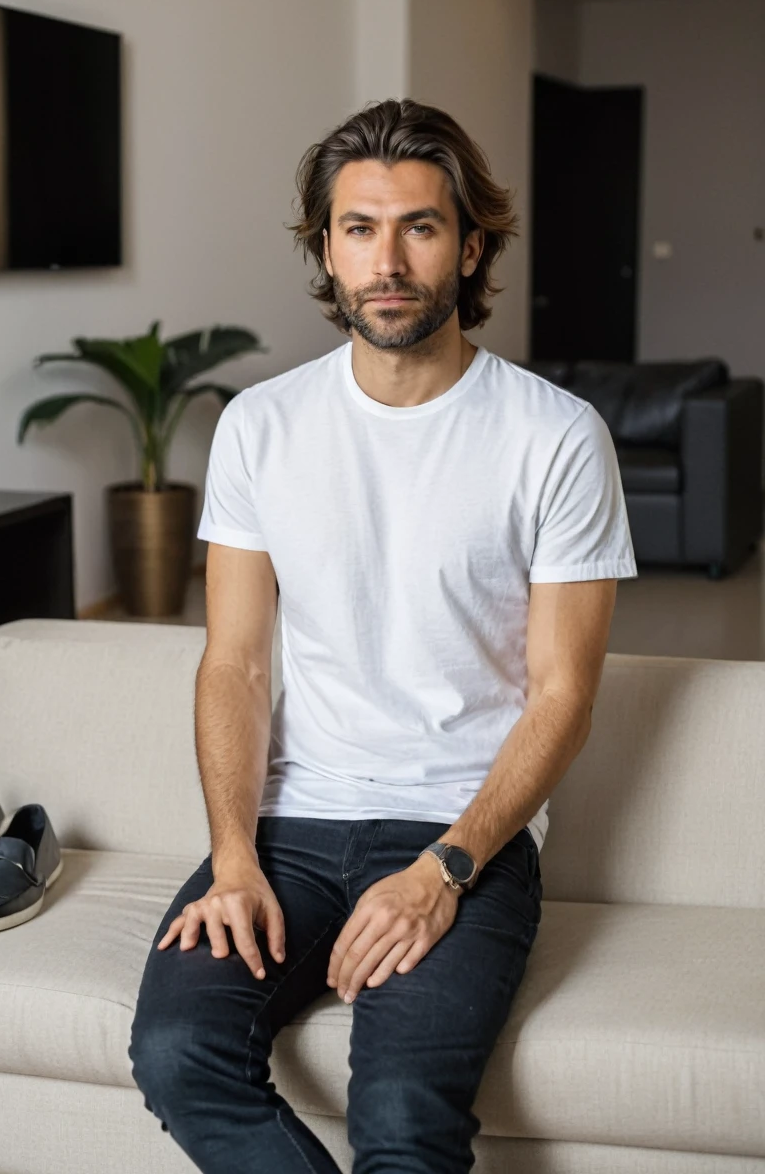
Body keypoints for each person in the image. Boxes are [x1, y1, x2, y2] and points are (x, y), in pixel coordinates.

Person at [128, 97, 638, 1173]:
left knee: (403, 1115)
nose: (388, 260)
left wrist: (444, 868)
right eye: (359, 228)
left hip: (460, 831)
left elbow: (562, 695)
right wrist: (231, 858)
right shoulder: (262, 427)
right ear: (327, 246)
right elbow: (235, 661)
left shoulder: (553, 436)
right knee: (179, 1048)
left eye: (419, 226)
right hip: (290, 829)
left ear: (471, 243)